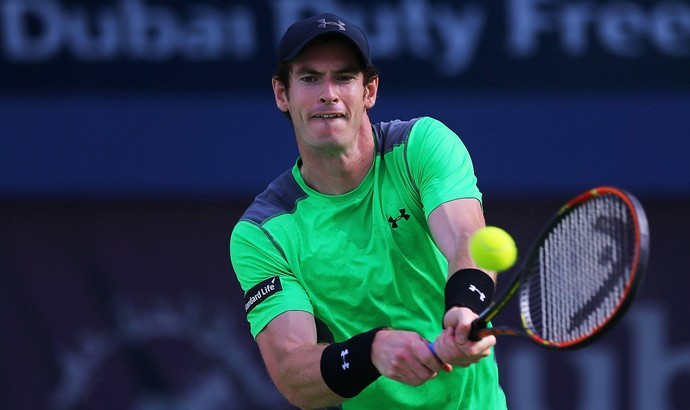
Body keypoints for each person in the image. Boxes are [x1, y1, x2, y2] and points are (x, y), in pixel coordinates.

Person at [230, 12, 507, 410]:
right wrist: (371, 352)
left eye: (344, 77)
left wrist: (465, 308)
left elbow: (466, 236)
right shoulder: (263, 233)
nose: (329, 93)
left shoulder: (420, 147)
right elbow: (293, 374)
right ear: (281, 94)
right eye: (309, 78)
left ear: (369, 90)